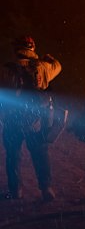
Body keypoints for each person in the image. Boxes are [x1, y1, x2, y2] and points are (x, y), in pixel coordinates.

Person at [0, 35, 61, 201]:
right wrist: (50, 58)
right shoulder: (42, 66)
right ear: (32, 48)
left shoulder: (6, 69)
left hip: (13, 118)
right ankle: (46, 188)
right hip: (35, 119)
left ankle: (16, 190)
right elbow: (58, 67)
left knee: (13, 155)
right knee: (40, 153)